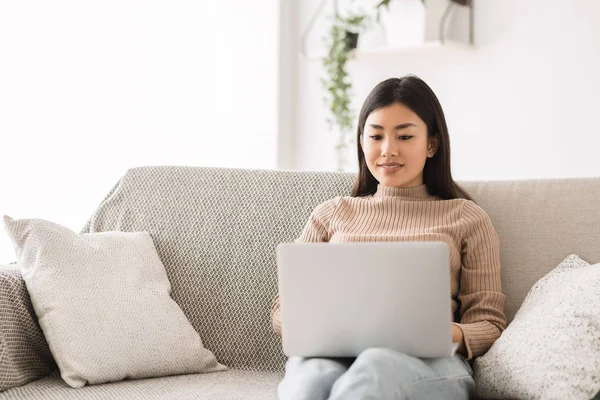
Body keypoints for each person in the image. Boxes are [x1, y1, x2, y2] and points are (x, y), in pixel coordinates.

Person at [270, 75, 507, 400]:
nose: (387, 150)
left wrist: (434, 333)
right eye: (376, 136)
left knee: (375, 369)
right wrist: (324, 329)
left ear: (432, 144)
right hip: (333, 356)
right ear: (362, 142)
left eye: (405, 136)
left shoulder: (466, 217)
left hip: (431, 363)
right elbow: (285, 309)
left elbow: (489, 323)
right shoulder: (330, 214)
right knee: (309, 380)